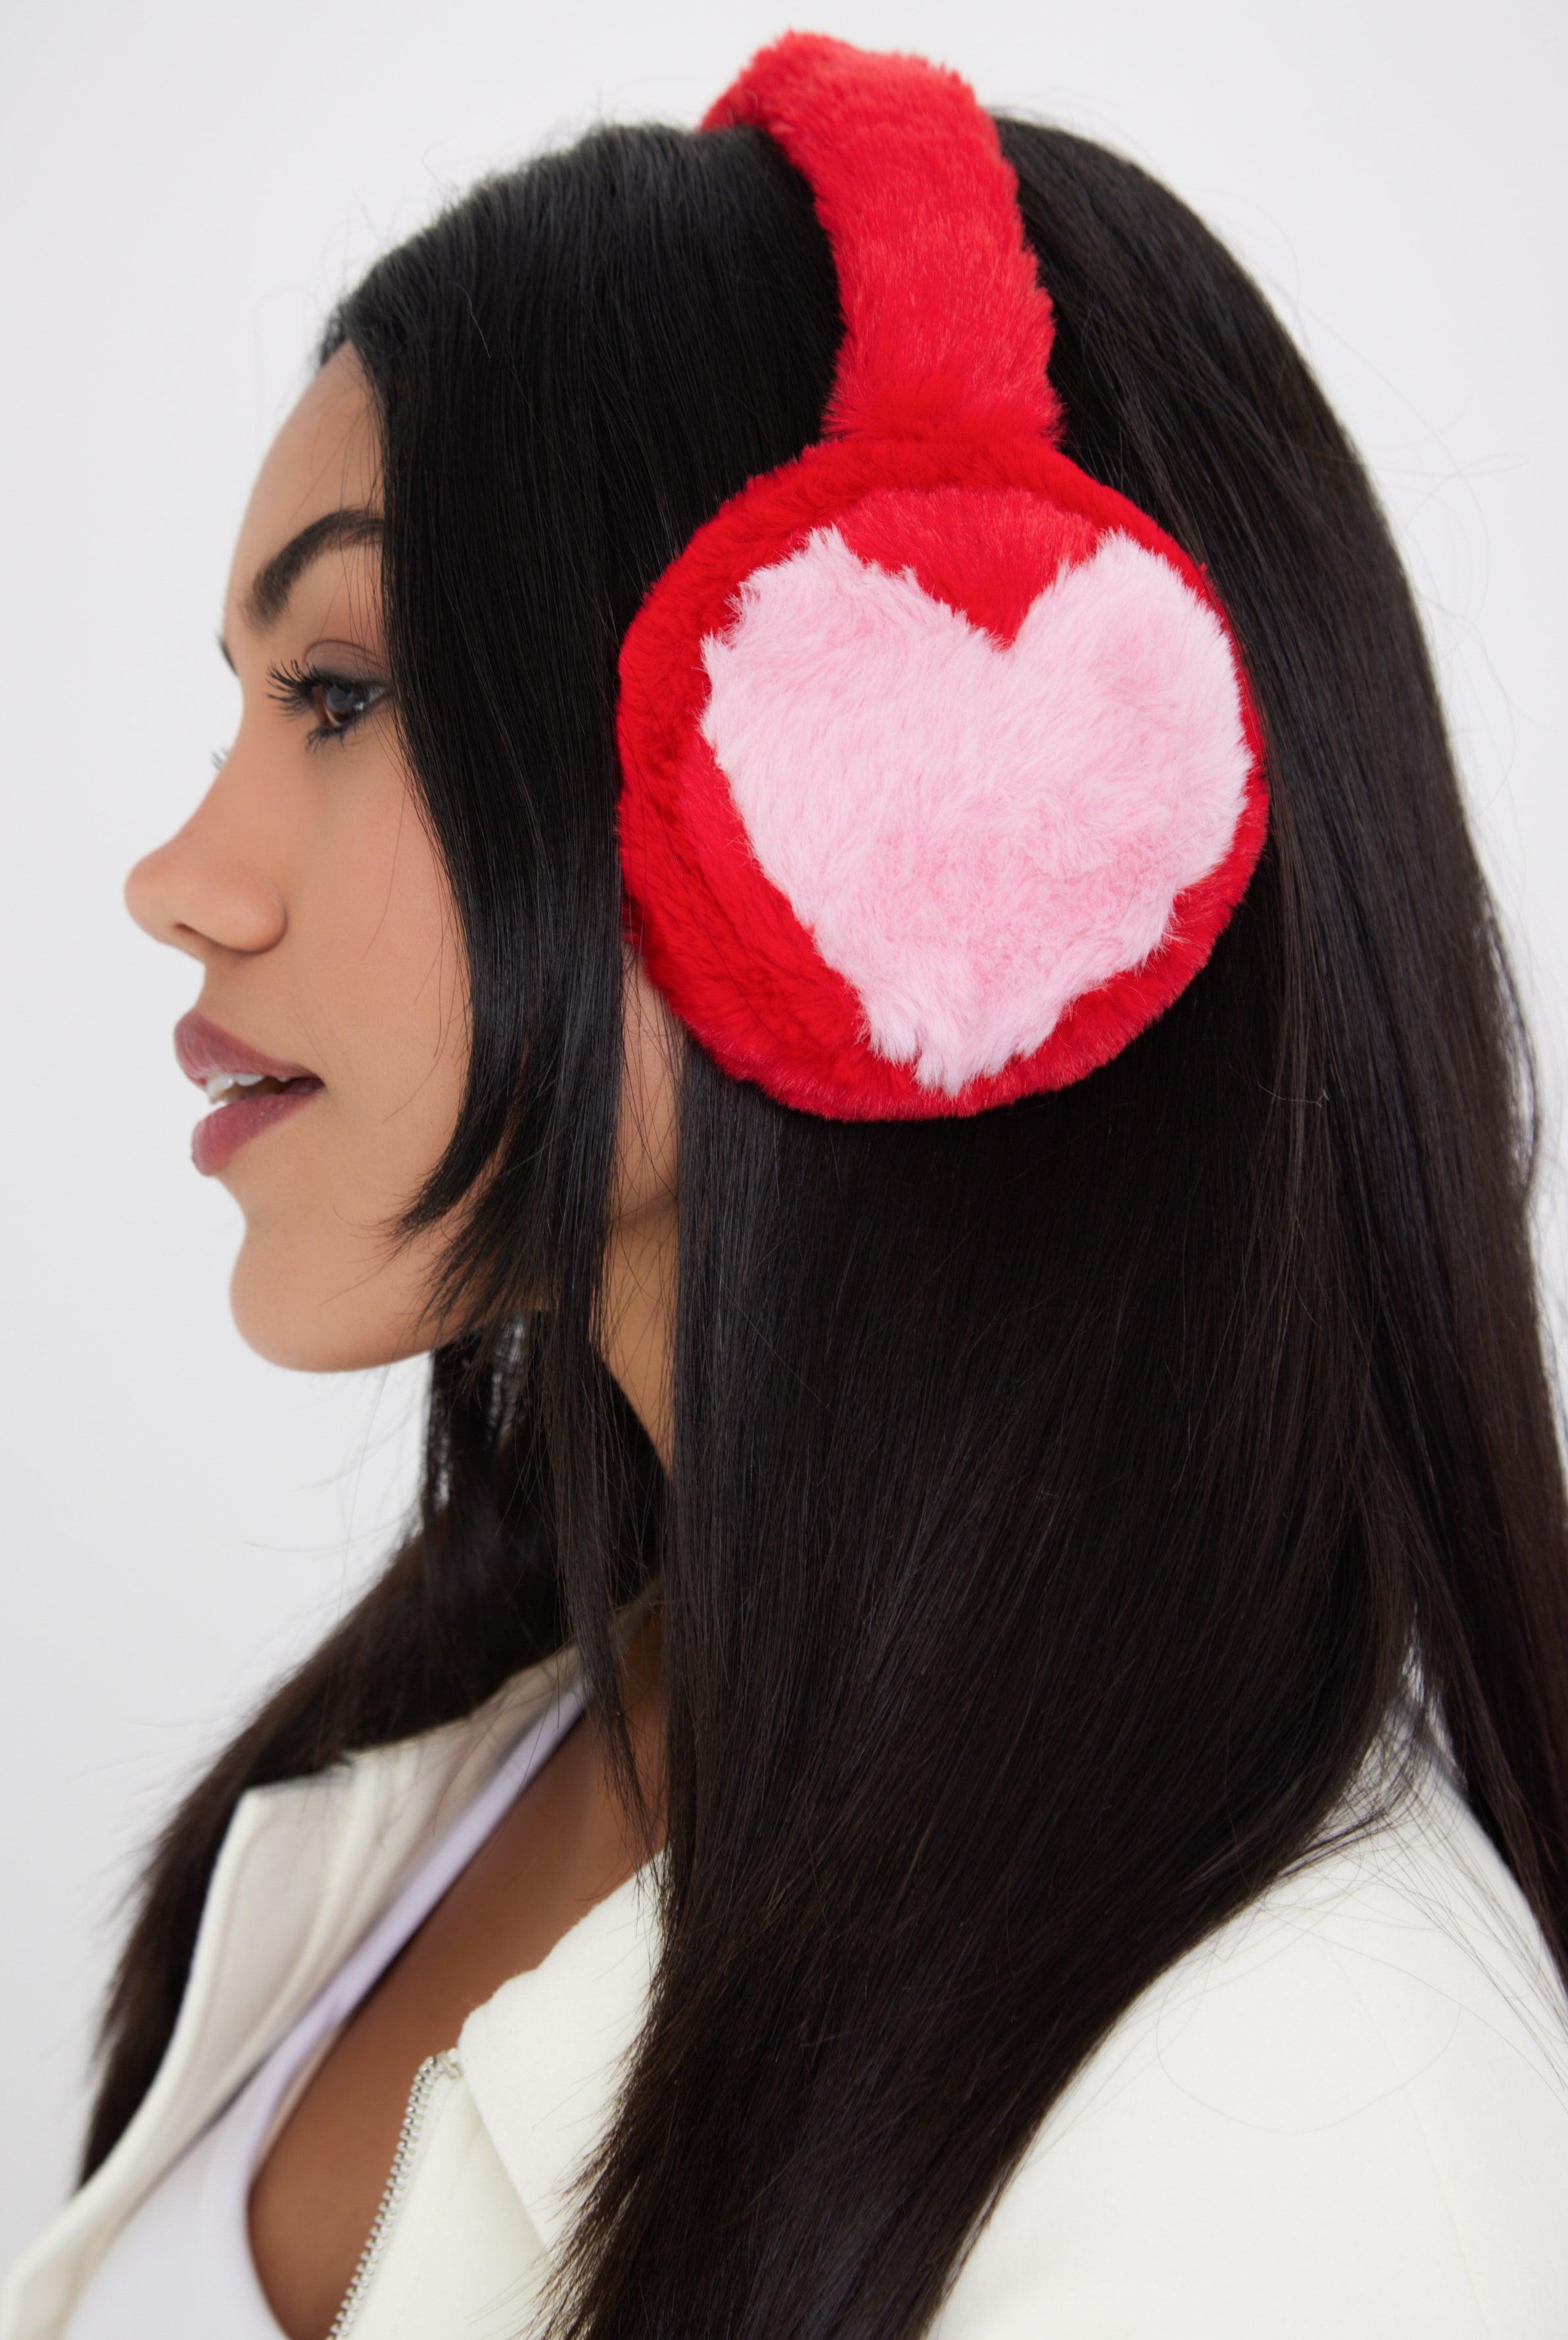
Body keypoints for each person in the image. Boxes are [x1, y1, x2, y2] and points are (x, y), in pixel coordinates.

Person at [7, 30, 1568, 2340]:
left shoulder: (1301, 2119)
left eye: (339, 689)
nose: (177, 877)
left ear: (890, 795)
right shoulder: (469, 1755)